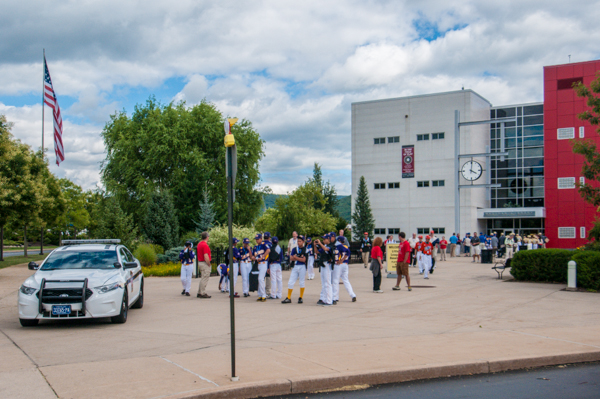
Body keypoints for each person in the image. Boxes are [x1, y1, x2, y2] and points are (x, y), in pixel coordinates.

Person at [282, 235, 307, 304]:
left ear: (303, 242)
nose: (298, 242)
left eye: (300, 241)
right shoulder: (294, 249)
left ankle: (301, 297)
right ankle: (288, 297)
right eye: (298, 241)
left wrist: (296, 257)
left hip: (302, 266)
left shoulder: (305, 249)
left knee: (301, 282)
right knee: (290, 282)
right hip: (296, 266)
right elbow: (291, 258)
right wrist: (298, 257)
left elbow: (304, 260)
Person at [334, 235, 356, 303]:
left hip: (339, 264)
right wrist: (344, 259)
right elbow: (348, 253)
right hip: (345, 264)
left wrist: (341, 260)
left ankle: (336, 297)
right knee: (346, 280)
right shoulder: (346, 247)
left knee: (336, 280)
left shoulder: (338, 246)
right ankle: (352, 295)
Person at [315, 234, 334, 306]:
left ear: (328, 239)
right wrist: (315, 245)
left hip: (327, 265)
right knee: (323, 283)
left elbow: (327, 249)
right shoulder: (324, 246)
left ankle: (329, 301)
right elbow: (317, 252)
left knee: (327, 283)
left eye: (324, 239)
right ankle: (324, 299)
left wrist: (320, 243)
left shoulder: (331, 246)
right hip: (323, 265)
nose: (323, 240)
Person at [254, 233, 270, 302]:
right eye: (256, 239)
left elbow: (268, 250)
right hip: (258, 263)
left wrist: (263, 256)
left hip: (264, 263)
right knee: (259, 279)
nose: (257, 240)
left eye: (258, 239)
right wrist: (254, 258)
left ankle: (263, 295)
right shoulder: (255, 247)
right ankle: (260, 294)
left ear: (261, 239)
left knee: (261, 278)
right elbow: (253, 255)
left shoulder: (264, 244)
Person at [196, 232, 212, 299]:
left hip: (200, 262)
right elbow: (206, 255)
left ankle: (200, 292)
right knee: (205, 278)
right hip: (204, 263)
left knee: (203, 278)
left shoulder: (199, 244)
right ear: (207, 237)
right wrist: (208, 263)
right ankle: (203, 292)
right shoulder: (205, 245)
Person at [263, 232, 273, 298]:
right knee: (268, 278)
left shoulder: (261, 244)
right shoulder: (270, 244)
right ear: (269, 238)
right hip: (268, 262)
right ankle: (268, 291)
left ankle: (262, 291)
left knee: (262, 278)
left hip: (261, 262)